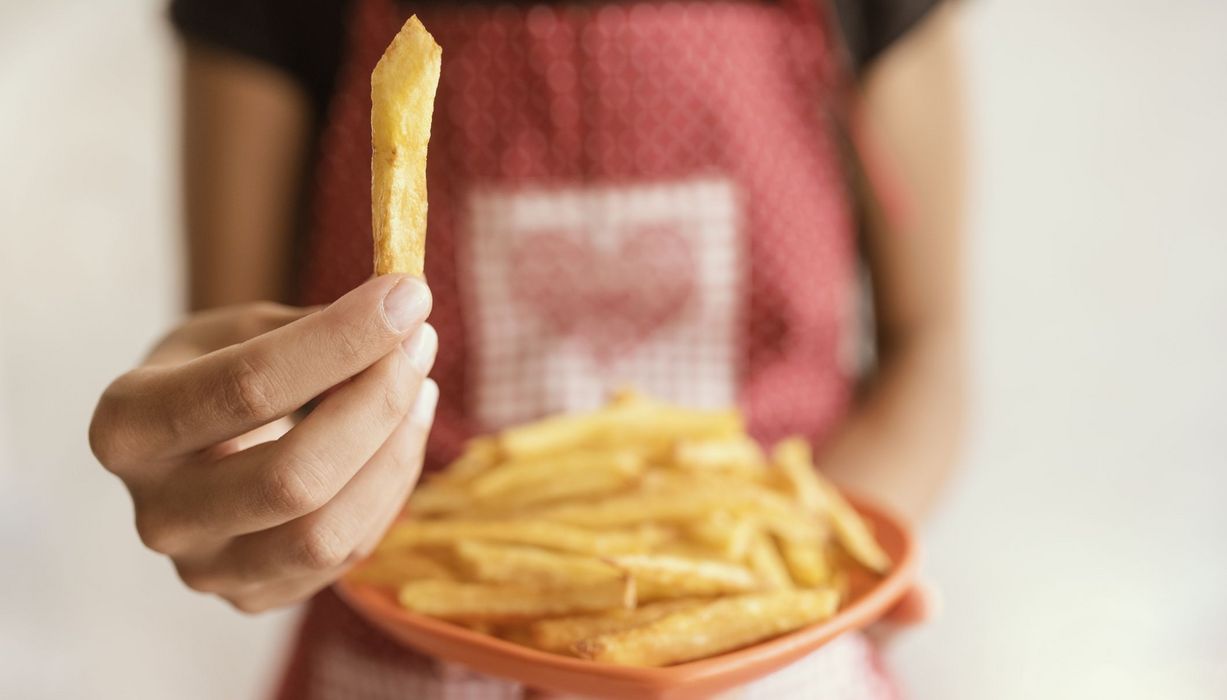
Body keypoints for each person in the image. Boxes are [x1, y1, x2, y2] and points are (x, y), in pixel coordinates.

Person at [88, 0, 964, 696]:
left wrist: (803, 576)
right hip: (396, 657)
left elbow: (929, 344)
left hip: (774, 658)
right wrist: (227, 473)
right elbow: (241, 371)